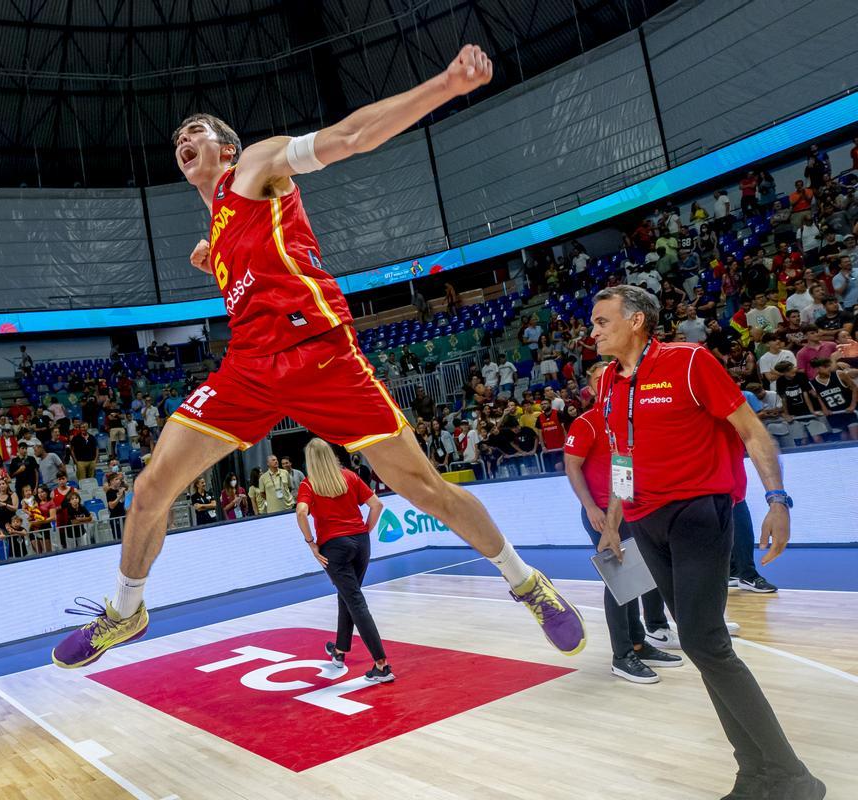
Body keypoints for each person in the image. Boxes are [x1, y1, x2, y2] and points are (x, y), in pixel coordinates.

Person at [51, 47, 584, 672]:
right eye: (176, 139)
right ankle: (126, 609)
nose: (181, 140)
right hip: (250, 367)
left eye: (193, 131)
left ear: (227, 146)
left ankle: (526, 582)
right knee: (149, 488)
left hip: (321, 356)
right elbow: (255, 264)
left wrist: (445, 84)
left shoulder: (254, 167)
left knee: (425, 488)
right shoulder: (219, 230)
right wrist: (216, 262)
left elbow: (353, 136)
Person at [590, 285, 824, 800]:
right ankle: (756, 773)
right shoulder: (607, 382)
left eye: (603, 321)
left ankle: (791, 777)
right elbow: (621, 458)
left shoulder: (690, 361)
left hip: (698, 511)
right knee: (700, 642)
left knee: (705, 642)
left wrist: (777, 499)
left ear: (635, 322)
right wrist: (612, 520)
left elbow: (752, 431)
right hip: (644, 520)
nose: (593, 330)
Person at [563, 362, 681, 683]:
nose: (608, 383)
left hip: (634, 510)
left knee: (640, 578)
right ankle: (622, 655)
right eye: (600, 380)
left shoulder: (627, 421)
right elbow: (572, 466)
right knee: (619, 582)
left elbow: (627, 468)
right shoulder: (587, 423)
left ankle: (640, 642)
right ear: (591, 389)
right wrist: (590, 507)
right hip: (603, 514)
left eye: (612, 378)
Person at [295, 438, 392, 682]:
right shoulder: (348, 476)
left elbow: (301, 512)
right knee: (347, 595)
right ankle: (339, 651)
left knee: (355, 601)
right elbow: (377, 504)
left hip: (335, 548)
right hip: (361, 543)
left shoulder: (309, 484)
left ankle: (382, 665)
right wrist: (366, 531)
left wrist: (311, 544)